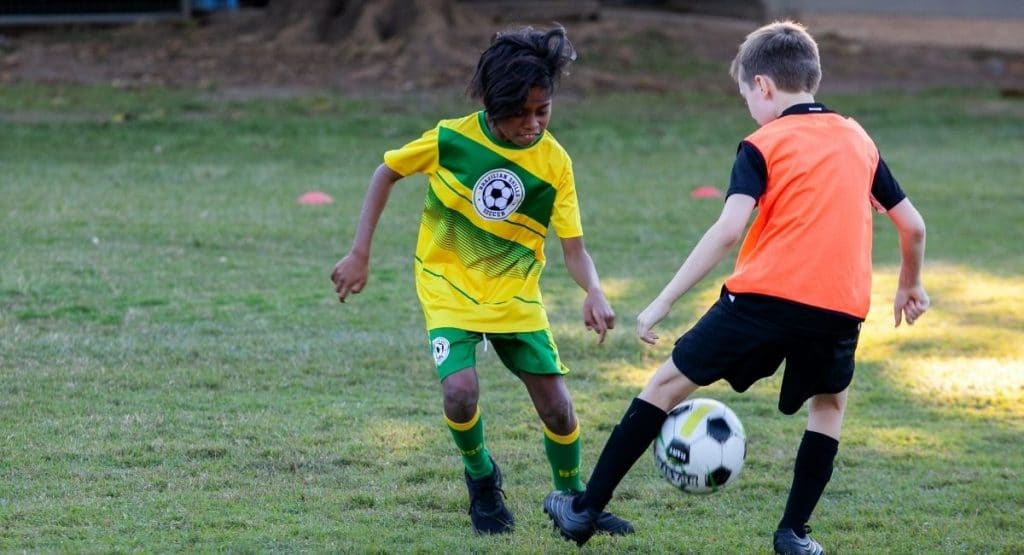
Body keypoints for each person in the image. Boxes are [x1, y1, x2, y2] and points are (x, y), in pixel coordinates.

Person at [543, 20, 929, 554]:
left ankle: (584, 511)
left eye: (746, 93)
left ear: (764, 86)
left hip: (762, 300)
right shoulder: (859, 139)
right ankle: (793, 534)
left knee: (665, 385)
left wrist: (662, 301)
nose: (749, 105)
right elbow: (913, 226)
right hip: (839, 308)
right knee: (829, 408)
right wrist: (909, 284)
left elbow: (728, 230)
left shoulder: (762, 143)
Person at [330, 25, 633, 537]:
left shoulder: (555, 162)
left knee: (558, 408)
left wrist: (594, 289)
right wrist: (360, 253)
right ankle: (482, 482)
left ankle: (572, 499)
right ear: (494, 105)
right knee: (461, 392)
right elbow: (385, 172)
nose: (533, 124)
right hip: (447, 285)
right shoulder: (452, 139)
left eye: (544, 111)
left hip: (514, 293)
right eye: (522, 113)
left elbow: (574, 250)